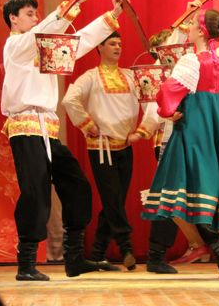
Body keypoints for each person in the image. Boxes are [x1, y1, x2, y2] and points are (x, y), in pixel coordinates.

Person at [1, 0, 122, 280]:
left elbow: (78, 43)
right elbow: (41, 33)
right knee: (36, 193)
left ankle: (74, 257)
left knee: (76, 185)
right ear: (13, 18)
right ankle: (26, 265)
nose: (35, 18)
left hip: (48, 131)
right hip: (26, 128)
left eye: (36, 14)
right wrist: (75, 2)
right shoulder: (16, 47)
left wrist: (110, 17)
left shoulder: (44, 46)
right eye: (29, 14)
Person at [142, 9, 219, 279]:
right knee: (208, 189)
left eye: (192, 24)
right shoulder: (215, 61)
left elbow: (169, 90)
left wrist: (167, 111)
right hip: (213, 125)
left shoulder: (191, 60)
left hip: (193, 128)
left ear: (202, 31)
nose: (189, 28)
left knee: (177, 185)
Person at [62, 31, 159, 271]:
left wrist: (142, 131)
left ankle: (97, 253)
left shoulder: (130, 76)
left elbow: (151, 101)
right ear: (100, 47)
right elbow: (69, 99)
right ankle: (126, 247)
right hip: (101, 147)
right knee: (113, 199)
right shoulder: (91, 77)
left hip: (125, 146)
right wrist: (87, 124)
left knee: (114, 201)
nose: (117, 47)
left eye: (119, 44)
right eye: (112, 43)